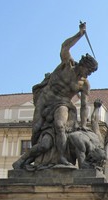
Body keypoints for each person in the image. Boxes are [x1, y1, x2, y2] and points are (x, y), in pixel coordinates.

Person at [13, 22, 98, 169]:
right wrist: (79, 34)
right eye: (89, 70)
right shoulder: (67, 65)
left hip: (62, 103)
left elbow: (84, 106)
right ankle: (25, 161)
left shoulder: (84, 84)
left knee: (59, 125)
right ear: (83, 64)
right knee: (37, 130)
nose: (88, 74)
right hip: (45, 99)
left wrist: (83, 125)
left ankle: (63, 158)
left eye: (91, 73)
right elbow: (65, 47)